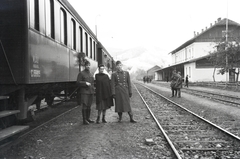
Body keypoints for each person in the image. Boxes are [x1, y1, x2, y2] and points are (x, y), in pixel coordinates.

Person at [76, 60, 95, 125]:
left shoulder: (91, 73)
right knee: (85, 105)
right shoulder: (81, 73)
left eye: (89, 65)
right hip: (84, 92)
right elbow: (78, 82)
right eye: (87, 65)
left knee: (89, 105)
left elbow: (92, 83)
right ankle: (84, 120)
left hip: (90, 92)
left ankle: (88, 118)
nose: (88, 66)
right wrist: (85, 83)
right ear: (85, 66)